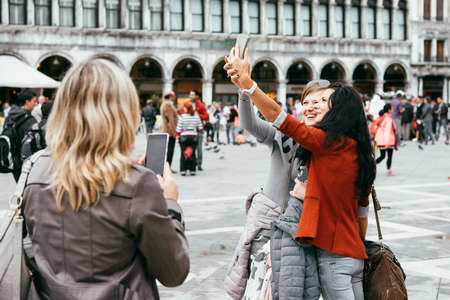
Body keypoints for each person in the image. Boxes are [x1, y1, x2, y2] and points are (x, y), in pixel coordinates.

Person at [21, 59, 189, 300]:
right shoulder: (138, 184)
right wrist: (170, 204)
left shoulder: (34, 170)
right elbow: (174, 272)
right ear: (123, 113)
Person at [224, 47, 375, 299]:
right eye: (306, 102)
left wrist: (248, 84)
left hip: (326, 251)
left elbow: (277, 115)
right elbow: (361, 213)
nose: (311, 106)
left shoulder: (324, 142)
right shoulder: (358, 150)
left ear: (336, 112)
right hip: (331, 247)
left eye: (321, 102)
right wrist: (243, 89)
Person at [3, 88, 37, 181]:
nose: (36, 104)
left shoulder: (10, 116)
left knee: (20, 187)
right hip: (26, 163)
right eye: (34, 101)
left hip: (13, 161)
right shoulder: (30, 120)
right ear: (27, 102)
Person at [176, 101, 203, 176]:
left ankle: (183, 170)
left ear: (186, 108)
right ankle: (192, 170)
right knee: (193, 153)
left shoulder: (182, 116)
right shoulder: (196, 116)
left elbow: (178, 129)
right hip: (193, 136)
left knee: (183, 153)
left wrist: (177, 136)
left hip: (184, 136)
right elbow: (200, 127)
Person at [373, 104, 397, 176]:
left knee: (382, 156)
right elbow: (389, 130)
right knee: (389, 156)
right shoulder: (388, 118)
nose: (392, 109)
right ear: (389, 110)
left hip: (381, 140)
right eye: (392, 108)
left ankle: (371, 166)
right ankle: (389, 170)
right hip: (388, 140)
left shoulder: (380, 117)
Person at [188, 90, 209, 171]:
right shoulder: (187, 104)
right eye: (190, 95)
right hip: (189, 129)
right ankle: (192, 163)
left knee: (199, 148)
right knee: (190, 148)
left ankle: (199, 164)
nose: (190, 96)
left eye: (192, 95)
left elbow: (206, 117)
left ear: (197, 96)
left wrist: (197, 114)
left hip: (198, 129)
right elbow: (182, 113)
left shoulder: (201, 105)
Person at [160, 91, 179, 171]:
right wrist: (174, 131)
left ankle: (167, 167)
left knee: (168, 150)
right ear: (170, 96)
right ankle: (168, 168)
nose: (174, 97)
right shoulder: (168, 105)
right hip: (169, 131)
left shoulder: (165, 104)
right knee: (170, 151)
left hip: (167, 130)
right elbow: (170, 119)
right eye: (173, 95)